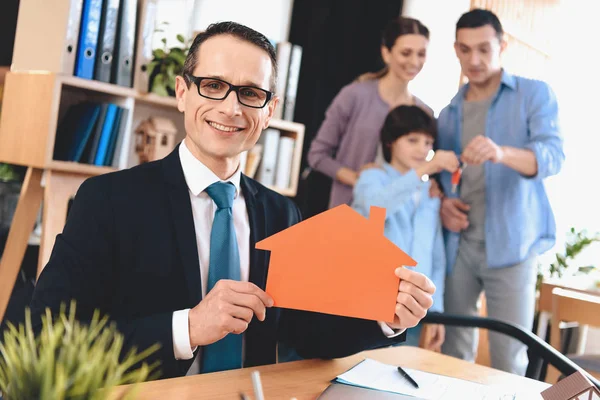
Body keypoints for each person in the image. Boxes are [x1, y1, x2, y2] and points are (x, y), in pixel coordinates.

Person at [30, 21, 436, 380]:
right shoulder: (109, 200)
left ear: (270, 109)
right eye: (213, 86)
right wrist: (187, 328)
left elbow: (305, 332)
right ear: (182, 92)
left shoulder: (281, 212)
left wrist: (385, 317)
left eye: (250, 93)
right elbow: (45, 336)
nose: (231, 107)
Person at [437, 9, 564, 375]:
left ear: (502, 45)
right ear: (456, 50)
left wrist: (501, 152)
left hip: (513, 246)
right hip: (460, 248)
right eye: (465, 50)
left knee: (509, 357)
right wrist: (445, 203)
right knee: (453, 354)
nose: (473, 60)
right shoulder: (448, 114)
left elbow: (553, 157)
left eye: (483, 49)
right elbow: (445, 177)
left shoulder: (533, 94)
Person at [352, 105, 459, 351]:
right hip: (372, 299)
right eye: (413, 140)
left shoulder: (430, 192)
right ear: (390, 141)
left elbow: (436, 255)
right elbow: (375, 209)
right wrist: (424, 170)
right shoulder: (372, 178)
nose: (422, 149)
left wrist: (436, 311)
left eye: (428, 143)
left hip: (415, 305)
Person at [307, 16, 433, 209]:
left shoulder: (424, 112)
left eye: (421, 54)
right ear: (386, 53)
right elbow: (317, 155)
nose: (414, 62)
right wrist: (358, 179)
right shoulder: (355, 95)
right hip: (351, 213)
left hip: (400, 220)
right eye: (406, 53)